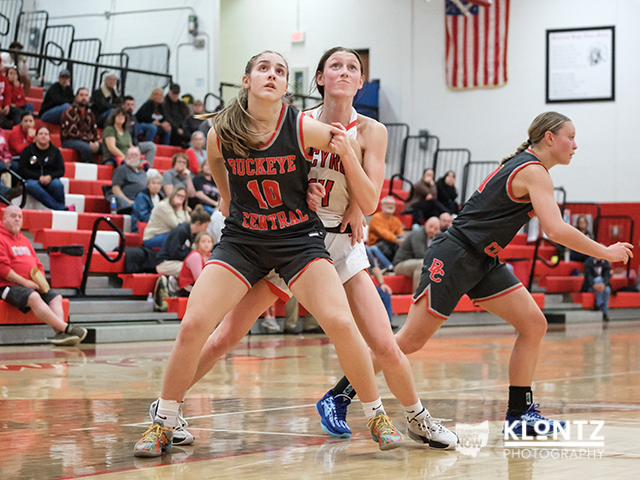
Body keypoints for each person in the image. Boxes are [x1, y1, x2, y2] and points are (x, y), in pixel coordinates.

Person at [152, 46, 457, 449]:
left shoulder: (370, 131)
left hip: (338, 241)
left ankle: (416, 419)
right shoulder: (297, 120)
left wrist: (355, 207)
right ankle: (166, 407)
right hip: (293, 236)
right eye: (335, 66)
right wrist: (288, 192)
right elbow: (258, 166)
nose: (344, 72)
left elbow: (369, 195)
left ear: (361, 81)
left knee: (383, 342)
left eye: (353, 67)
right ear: (318, 78)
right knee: (225, 335)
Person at [328, 111, 633, 440]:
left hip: (482, 259)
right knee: (408, 341)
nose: (575, 145)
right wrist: (605, 251)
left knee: (534, 324)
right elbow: (556, 230)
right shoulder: (533, 171)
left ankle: (519, 415)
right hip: (456, 255)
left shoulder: (528, 167)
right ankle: (337, 396)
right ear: (549, 137)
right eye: (570, 137)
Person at [0, 205, 87, 345]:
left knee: (56, 298)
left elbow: (38, 264)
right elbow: (3, 269)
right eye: (13, 216)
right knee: (33, 297)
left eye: (20, 217)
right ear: (4, 219)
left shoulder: (24, 240)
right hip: (7, 285)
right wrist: (25, 282)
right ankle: (67, 328)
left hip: (30, 284)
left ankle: (60, 335)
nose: (17, 219)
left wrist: (40, 281)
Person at [18, 127, 68, 211]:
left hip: (50, 179)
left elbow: (61, 170)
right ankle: (61, 208)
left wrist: (50, 177)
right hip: (32, 179)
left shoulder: (56, 151)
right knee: (31, 185)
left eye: (46, 134)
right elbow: (21, 169)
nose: (43, 136)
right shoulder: (28, 150)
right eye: (41, 134)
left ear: (50, 138)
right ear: (36, 137)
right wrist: (38, 177)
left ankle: (60, 209)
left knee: (57, 185)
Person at [154, 205, 211, 279]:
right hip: (165, 263)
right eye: (205, 226)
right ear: (198, 223)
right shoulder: (180, 231)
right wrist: (190, 255)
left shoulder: (193, 235)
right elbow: (174, 253)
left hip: (176, 262)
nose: (205, 230)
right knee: (193, 266)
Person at [393, 216, 441, 292]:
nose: (432, 230)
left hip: (413, 264)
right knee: (422, 264)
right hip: (400, 264)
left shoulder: (437, 237)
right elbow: (420, 255)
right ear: (426, 224)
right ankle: (417, 295)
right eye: (431, 226)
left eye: (435, 229)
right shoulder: (418, 233)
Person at [60, 88, 100, 164]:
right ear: (76, 97)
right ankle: (89, 166)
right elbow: (72, 132)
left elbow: (94, 129)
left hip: (87, 140)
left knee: (103, 147)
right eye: (81, 95)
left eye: (86, 95)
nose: (84, 98)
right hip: (70, 140)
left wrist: (96, 141)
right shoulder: (69, 112)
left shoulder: (90, 113)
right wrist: (89, 141)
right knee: (87, 148)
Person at [176, 231, 214, 297]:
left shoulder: (210, 256)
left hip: (201, 285)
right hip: (188, 287)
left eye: (209, 242)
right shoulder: (195, 256)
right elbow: (198, 278)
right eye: (203, 241)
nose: (206, 244)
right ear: (197, 244)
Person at [110, 146, 147, 212]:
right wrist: (128, 201)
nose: (134, 157)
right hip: (129, 204)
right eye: (131, 155)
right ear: (126, 157)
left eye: (136, 155)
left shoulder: (143, 172)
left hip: (143, 203)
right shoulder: (121, 169)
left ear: (139, 157)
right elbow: (115, 189)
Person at [368, 195, 405, 261]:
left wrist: (403, 239)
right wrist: (396, 240)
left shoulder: (396, 220)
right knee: (387, 246)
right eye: (387, 204)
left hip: (393, 242)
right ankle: (388, 265)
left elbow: (400, 233)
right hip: (377, 244)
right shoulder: (376, 217)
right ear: (381, 206)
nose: (390, 206)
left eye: (392, 204)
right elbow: (383, 233)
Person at [122, 95, 156, 167]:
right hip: (123, 145)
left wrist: (135, 146)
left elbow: (135, 135)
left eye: (132, 105)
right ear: (123, 105)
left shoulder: (133, 118)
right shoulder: (119, 117)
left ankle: (148, 169)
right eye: (128, 105)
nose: (130, 107)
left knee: (151, 146)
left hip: (133, 145)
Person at [581, 254, 611, 322]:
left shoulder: (606, 263)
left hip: (602, 286)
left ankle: (602, 309)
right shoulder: (588, 262)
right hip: (590, 286)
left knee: (607, 290)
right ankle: (602, 309)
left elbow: (607, 276)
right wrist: (594, 284)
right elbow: (588, 276)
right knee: (598, 279)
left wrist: (604, 284)